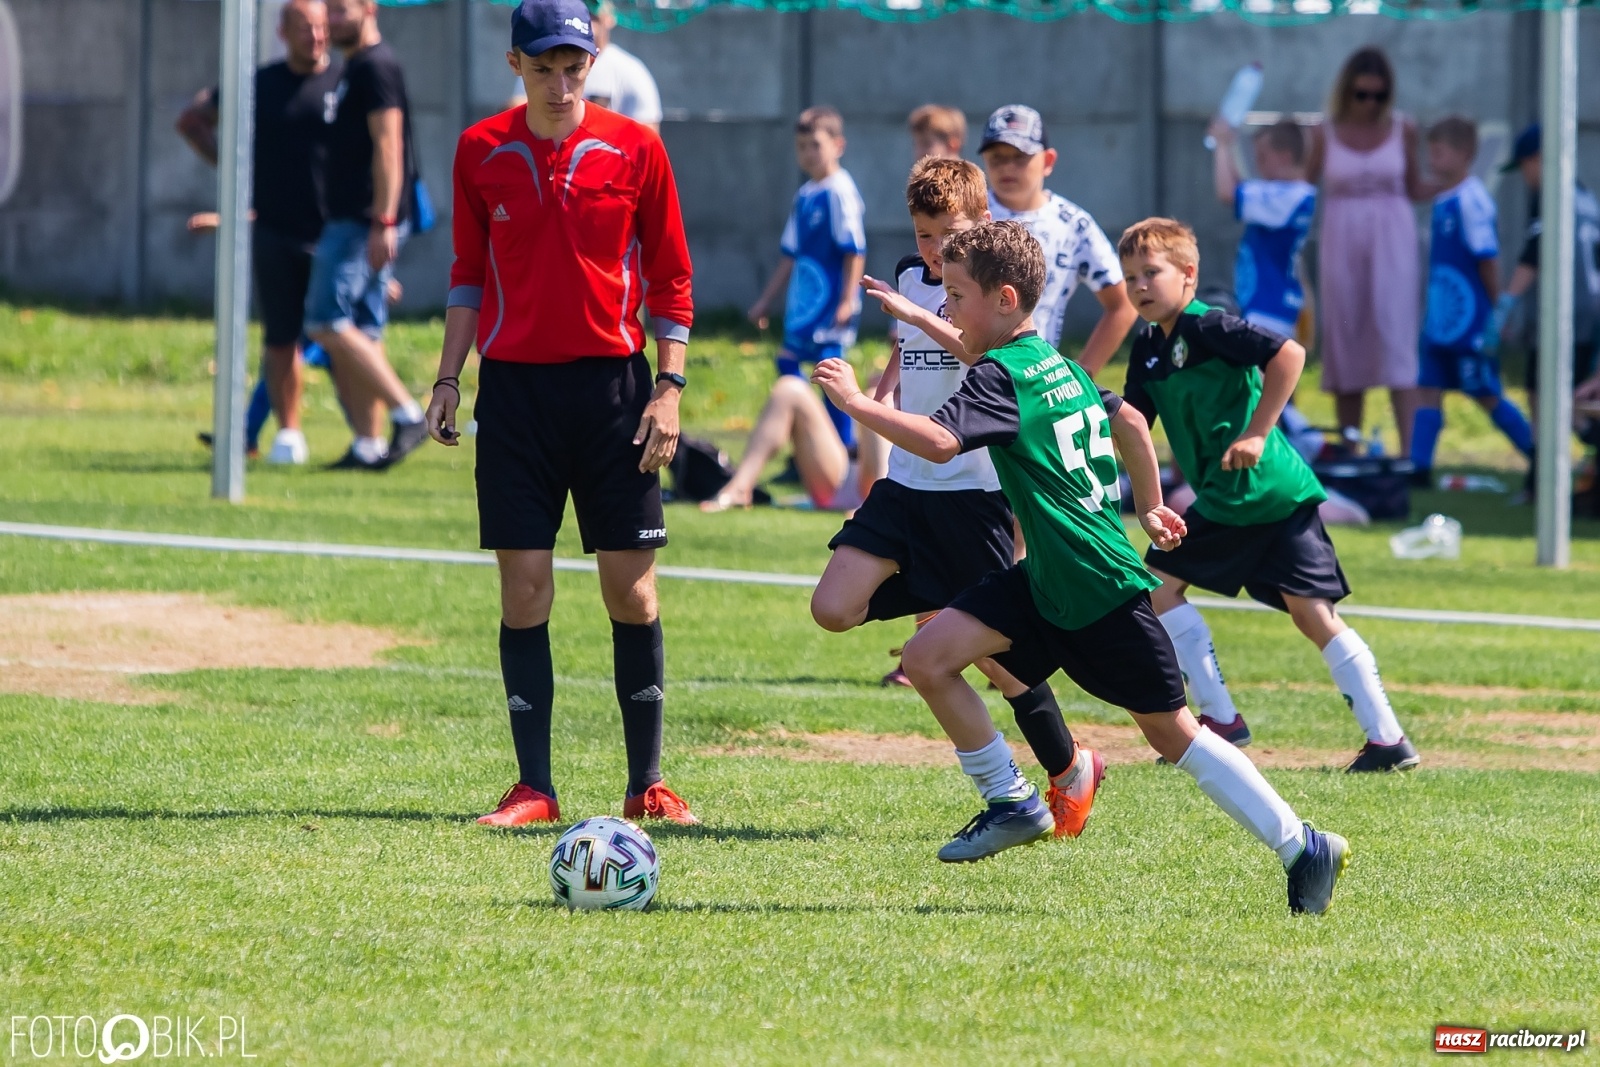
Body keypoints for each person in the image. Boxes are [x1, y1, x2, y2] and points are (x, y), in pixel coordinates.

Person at [812, 221, 1349, 914]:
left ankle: (1303, 843)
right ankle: (1011, 799)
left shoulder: (1003, 376)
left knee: (1174, 734)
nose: (946, 308)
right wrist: (1150, 505)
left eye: (956, 295)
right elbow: (1127, 422)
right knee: (927, 656)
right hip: (1047, 583)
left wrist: (857, 404)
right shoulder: (1055, 365)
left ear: (1005, 299)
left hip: (1100, 588)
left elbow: (942, 442)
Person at [428, 0, 698, 828]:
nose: (559, 82)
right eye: (542, 66)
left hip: (615, 394)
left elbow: (672, 279)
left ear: (593, 61)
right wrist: (447, 378)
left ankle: (646, 782)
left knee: (633, 594)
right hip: (514, 399)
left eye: (572, 66)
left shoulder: (637, 147)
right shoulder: (481, 150)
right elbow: (468, 274)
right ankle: (533, 788)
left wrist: (668, 386)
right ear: (515, 66)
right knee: (525, 592)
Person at [814, 158, 1104, 839]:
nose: (933, 251)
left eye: (947, 235)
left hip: (973, 493)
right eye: (922, 235)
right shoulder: (918, 277)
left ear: (984, 225)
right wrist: (882, 391)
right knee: (833, 607)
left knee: (998, 658)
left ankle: (1067, 768)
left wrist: (922, 311)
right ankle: (934, 598)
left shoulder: (984, 292)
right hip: (906, 484)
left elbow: (988, 358)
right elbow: (907, 345)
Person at [1117, 217, 1418, 773]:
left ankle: (1234, 722)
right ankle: (1375, 740)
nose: (1139, 286)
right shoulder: (1149, 348)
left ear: (1188, 274)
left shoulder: (1208, 326)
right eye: (1130, 275)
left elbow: (1289, 355)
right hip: (1234, 496)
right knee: (1288, 610)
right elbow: (1134, 423)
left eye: (1151, 273)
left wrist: (1257, 432)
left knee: (1172, 592)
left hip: (1262, 490)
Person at [176, 0, 341, 465]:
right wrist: (234, 173)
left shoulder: (345, 84)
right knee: (283, 337)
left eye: (323, 27)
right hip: (273, 229)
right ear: (283, 31)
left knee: (343, 336)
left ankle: (373, 435)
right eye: (306, 28)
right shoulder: (260, 84)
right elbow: (191, 120)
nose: (316, 36)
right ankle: (286, 434)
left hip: (335, 233)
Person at [306, 0, 428, 471]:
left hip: (361, 222)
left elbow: (389, 145)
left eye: (339, 11)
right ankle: (367, 445)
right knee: (362, 334)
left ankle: (408, 413)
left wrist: (384, 221)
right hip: (351, 219)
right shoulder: (353, 67)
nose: (330, 22)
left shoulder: (377, 66)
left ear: (368, 8)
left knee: (325, 323)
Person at [1306, 47, 1430, 454]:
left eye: (1379, 95)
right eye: (1362, 94)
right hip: (1340, 238)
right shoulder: (1324, 132)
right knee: (1347, 334)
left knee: (1397, 337)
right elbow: (1303, 190)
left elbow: (1415, 187)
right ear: (1347, 92)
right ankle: (1349, 449)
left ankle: (1411, 454)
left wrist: (1458, 181)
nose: (1370, 104)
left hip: (1393, 237)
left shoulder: (1402, 128)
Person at [1409, 118, 1534, 484]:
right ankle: (1419, 468)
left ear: (1464, 155)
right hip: (1440, 323)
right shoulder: (1443, 199)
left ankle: (1537, 456)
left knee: (1485, 393)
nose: (1431, 158)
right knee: (1428, 389)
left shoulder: (1473, 200)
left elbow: (1487, 258)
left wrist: (1496, 310)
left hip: (1470, 324)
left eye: (1439, 151)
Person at [977, 105, 1137, 374]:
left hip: (1033, 378)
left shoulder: (1073, 224)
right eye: (996, 157)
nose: (1007, 166)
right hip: (960, 373)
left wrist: (1080, 375)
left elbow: (1123, 303)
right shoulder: (967, 212)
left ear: (1048, 161)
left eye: (1019, 157)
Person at [746, 106, 866, 448]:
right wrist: (766, 302)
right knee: (787, 360)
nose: (808, 153)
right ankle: (808, 447)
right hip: (804, 304)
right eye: (801, 146)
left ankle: (843, 447)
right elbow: (790, 256)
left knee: (830, 373)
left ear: (838, 145)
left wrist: (847, 300)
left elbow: (854, 249)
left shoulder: (840, 191)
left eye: (815, 144)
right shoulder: (805, 195)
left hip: (829, 304)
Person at [1495, 124, 1600, 498]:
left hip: (1562, 317)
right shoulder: (1587, 199)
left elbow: (1533, 256)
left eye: (1525, 166)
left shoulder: (1553, 198)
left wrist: (1505, 304)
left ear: (1538, 159)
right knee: (1577, 399)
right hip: (1591, 319)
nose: (1526, 177)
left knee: (1546, 400)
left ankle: (1542, 485)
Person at [698, 373, 886, 514]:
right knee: (789, 389)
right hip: (849, 472)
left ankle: (882, 506)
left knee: (876, 397)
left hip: (887, 484)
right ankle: (740, 488)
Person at [1208, 119, 1316, 340]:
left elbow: (1228, 192)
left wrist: (1221, 144)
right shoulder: (1292, 194)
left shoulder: (1288, 196)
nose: (1258, 165)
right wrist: (1231, 145)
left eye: (1262, 158)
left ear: (1284, 156)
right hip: (1268, 302)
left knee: (1262, 372)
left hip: (1269, 304)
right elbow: (1242, 187)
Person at [508, 0, 661, 128]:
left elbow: (645, 141)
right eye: (543, 70)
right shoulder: (535, 57)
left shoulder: (631, 71)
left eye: (574, 69)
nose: (561, 89)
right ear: (516, 65)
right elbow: (521, 112)